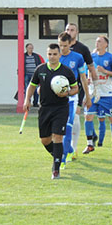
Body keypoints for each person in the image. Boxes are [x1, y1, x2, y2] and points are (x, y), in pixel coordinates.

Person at [23, 43, 78, 179]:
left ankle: (56, 169)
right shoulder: (40, 69)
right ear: (47, 55)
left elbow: (76, 89)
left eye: (54, 54)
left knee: (57, 137)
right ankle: (58, 155)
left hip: (61, 108)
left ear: (59, 55)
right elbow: (32, 86)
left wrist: (67, 93)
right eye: (49, 54)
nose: (52, 57)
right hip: (45, 108)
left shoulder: (66, 71)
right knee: (45, 140)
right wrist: (27, 100)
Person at [58, 32, 92, 169]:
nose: (62, 49)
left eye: (65, 46)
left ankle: (64, 156)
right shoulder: (54, 57)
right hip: (57, 98)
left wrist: (88, 96)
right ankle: (70, 150)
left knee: (69, 126)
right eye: (60, 45)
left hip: (72, 96)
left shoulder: (78, 58)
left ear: (70, 44)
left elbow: (83, 78)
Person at [65, 23, 98, 156]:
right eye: (67, 29)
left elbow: (91, 67)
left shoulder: (82, 49)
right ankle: (92, 135)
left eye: (72, 30)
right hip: (62, 89)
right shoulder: (61, 49)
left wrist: (96, 88)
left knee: (76, 115)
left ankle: (74, 147)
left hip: (78, 87)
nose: (69, 32)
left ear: (77, 32)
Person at [84, 36, 112, 154]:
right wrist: (87, 79)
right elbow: (85, 73)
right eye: (96, 41)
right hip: (93, 93)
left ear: (106, 44)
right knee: (88, 117)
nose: (97, 43)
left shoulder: (110, 58)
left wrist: (105, 71)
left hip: (106, 93)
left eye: (99, 41)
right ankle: (89, 144)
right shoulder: (90, 57)